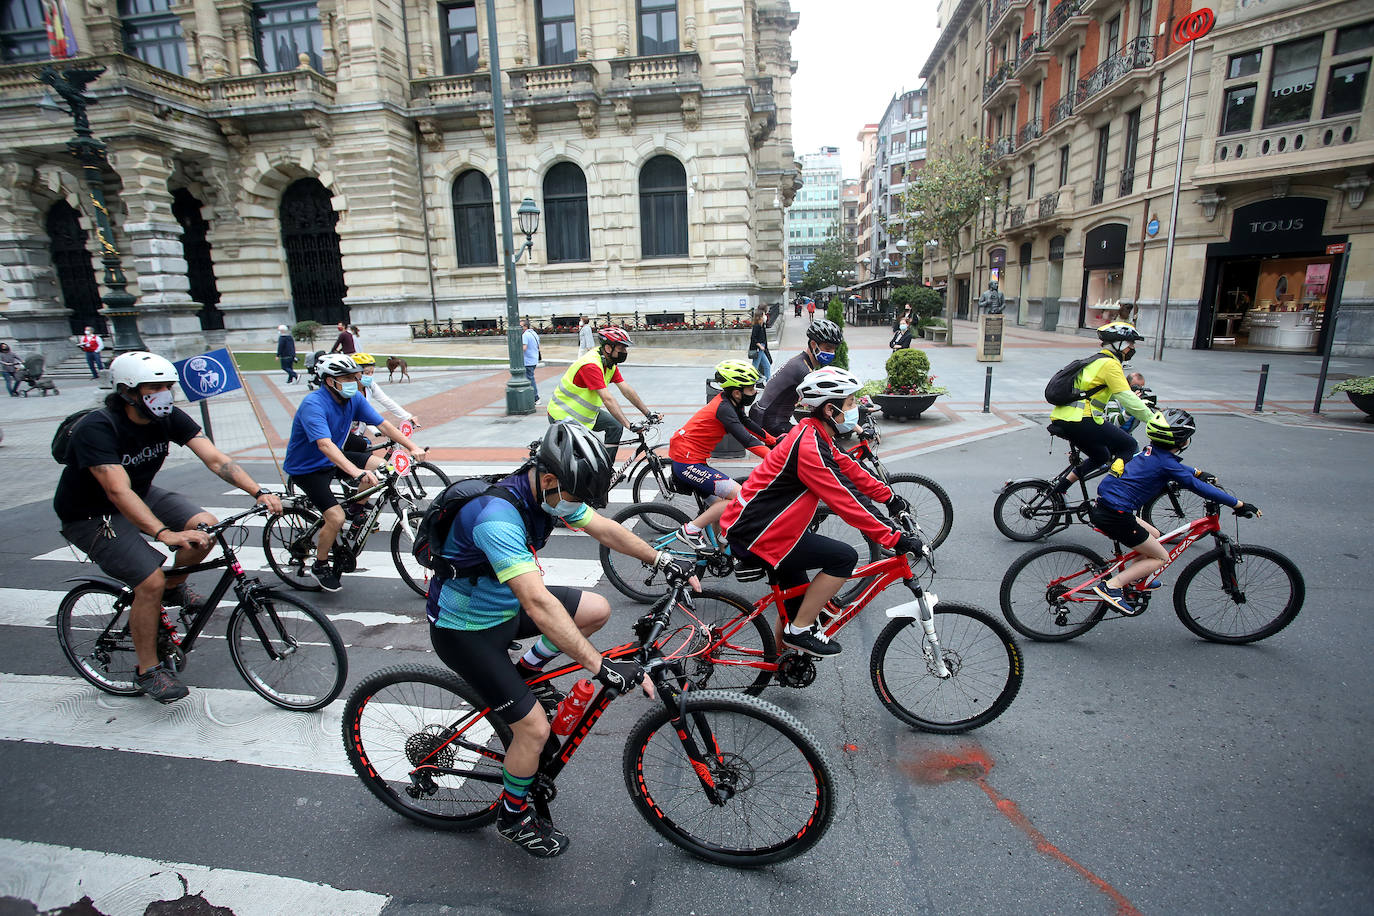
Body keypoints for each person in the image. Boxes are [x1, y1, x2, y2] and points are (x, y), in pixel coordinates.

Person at [428, 421, 696, 857]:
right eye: (575, 496)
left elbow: (605, 529)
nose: (576, 506)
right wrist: (599, 666)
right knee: (532, 730)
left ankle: (526, 672)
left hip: (503, 607)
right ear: (549, 478)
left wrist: (661, 558)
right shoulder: (497, 518)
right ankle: (512, 817)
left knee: (596, 610)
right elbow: (537, 603)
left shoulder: (550, 494)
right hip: (466, 631)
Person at [53, 352, 284, 703]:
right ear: (128, 392)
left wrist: (259, 491)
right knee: (150, 580)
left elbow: (215, 457)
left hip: (142, 494)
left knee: (206, 529)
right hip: (90, 513)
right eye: (154, 387)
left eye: (167, 387)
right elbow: (117, 490)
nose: (164, 394)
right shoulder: (97, 429)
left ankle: (174, 588)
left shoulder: (168, 416)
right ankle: (149, 669)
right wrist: (164, 534)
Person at [723, 367, 919, 656]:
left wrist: (889, 498)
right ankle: (800, 631)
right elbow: (845, 499)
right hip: (758, 534)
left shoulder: (815, 434)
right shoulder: (809, 447)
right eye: (850, 403)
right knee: (844, 557)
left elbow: (850, 470)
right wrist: (893, 537)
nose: (855, 410)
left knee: (800, 604)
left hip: (773, 530)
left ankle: (782, 661)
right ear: (831, 409)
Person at [1089, 409, 1258, 614]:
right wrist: (1238, 504)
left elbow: (1175, 468)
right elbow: (1198, 487)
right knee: (1161, 557)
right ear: (1182, 441)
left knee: (1155, 536)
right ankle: (1112, 586)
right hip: (1117, 516)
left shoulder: (1150, 452)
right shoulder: (1166, 463)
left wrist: (1197, 472)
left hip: (1106, 507)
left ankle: (1135, 577)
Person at [282, 354, 426, 592]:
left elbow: (383, 425)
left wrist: (412, 447)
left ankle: (356, 509)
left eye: (355, 376)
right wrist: (356, 472)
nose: (355, 381)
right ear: (330, 381)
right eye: (348, 377)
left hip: (334, 458)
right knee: (335, 518)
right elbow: (325, 445)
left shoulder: (354, 399)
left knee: (382, 467)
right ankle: (319, 565)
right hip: (308, 467)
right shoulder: (313, 404)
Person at [670, 360, 776, 550]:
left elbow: (747, 424)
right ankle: (691, 530)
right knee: (739, 498)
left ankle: (722, 552)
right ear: (737, 392)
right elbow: (747, 440)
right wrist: (775, 460)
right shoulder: (724, 408)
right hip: (687, 463)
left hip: (693, 461)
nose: (755, 392)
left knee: (718, 506)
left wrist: (773, 441)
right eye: (751, 389)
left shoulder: (731, 403)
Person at [1047, 321, 1155, 494]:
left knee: (1102, 456)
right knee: (1128, 446)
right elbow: (1126, 396)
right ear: (1119, 344)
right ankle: (1110, 493)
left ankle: (1058, 490)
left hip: (1065, 418)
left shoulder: (1095, 360)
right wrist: (1152, 419)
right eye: (1131, 344)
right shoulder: (1110, 364)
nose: (1132, 348)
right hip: (1082, 418)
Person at [546, 325, 659, 462]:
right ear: (608, 348)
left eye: (625, 348)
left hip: (585, 415)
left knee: (615, 426)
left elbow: (626, 390)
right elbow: (607, 399)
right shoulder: (591, 365)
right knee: (581, 458)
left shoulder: (609, 363)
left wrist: (647, 413)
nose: (625, 351)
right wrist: (629, 425)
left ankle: (605, 469)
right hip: (563, 416)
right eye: (621, 348)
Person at [748, 317, 844, 437]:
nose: (831, 353)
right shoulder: (802, 369)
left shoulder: (802, 361)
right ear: (813, 344)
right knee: (815, 439)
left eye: (834, 350)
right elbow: (825, 404)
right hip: (772, 424)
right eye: (828, 349)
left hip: (766, 417)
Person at [346, 353, 419, 452]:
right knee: (363, 450)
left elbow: (386, 400)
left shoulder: (370, 386)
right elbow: (365, 415)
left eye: (372, 372)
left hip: (359, 432)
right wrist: (377, 429)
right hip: (346, 435)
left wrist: (407, 416)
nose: (370, 376)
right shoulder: (349, 391)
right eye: (367, 373)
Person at [748, 310, 773, 380]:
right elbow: (753, 337)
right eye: (763, 315)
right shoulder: (757, 326)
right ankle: (750, 380)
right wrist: (760, 346)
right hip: (758, 349)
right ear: (759, 317)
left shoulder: (762, 325)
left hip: (762, 348)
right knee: (755, 366)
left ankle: (769, 381)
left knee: (767, 365)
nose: (765, 317)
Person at [520, 318, 541, 402]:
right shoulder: (534, 333)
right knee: (529, 378)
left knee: (530, 379)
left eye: (520, 326)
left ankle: (535, 398)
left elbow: (524, 347)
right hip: (533, 359)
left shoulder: (525, 335)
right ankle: (531, 397)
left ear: (525, 326)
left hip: (527, 360)